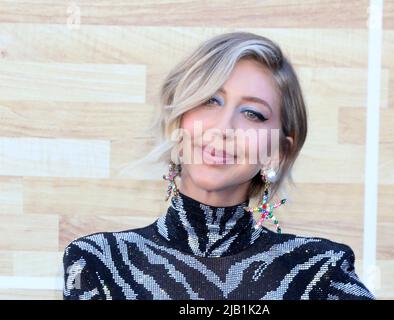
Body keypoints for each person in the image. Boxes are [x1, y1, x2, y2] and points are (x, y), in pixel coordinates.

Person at [63, 32, 375, 300]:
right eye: (210, 100)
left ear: (278, 150)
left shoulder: (320, 272)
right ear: (178, 119)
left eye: (253, 113)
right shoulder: (99, 261)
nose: (224, 127)